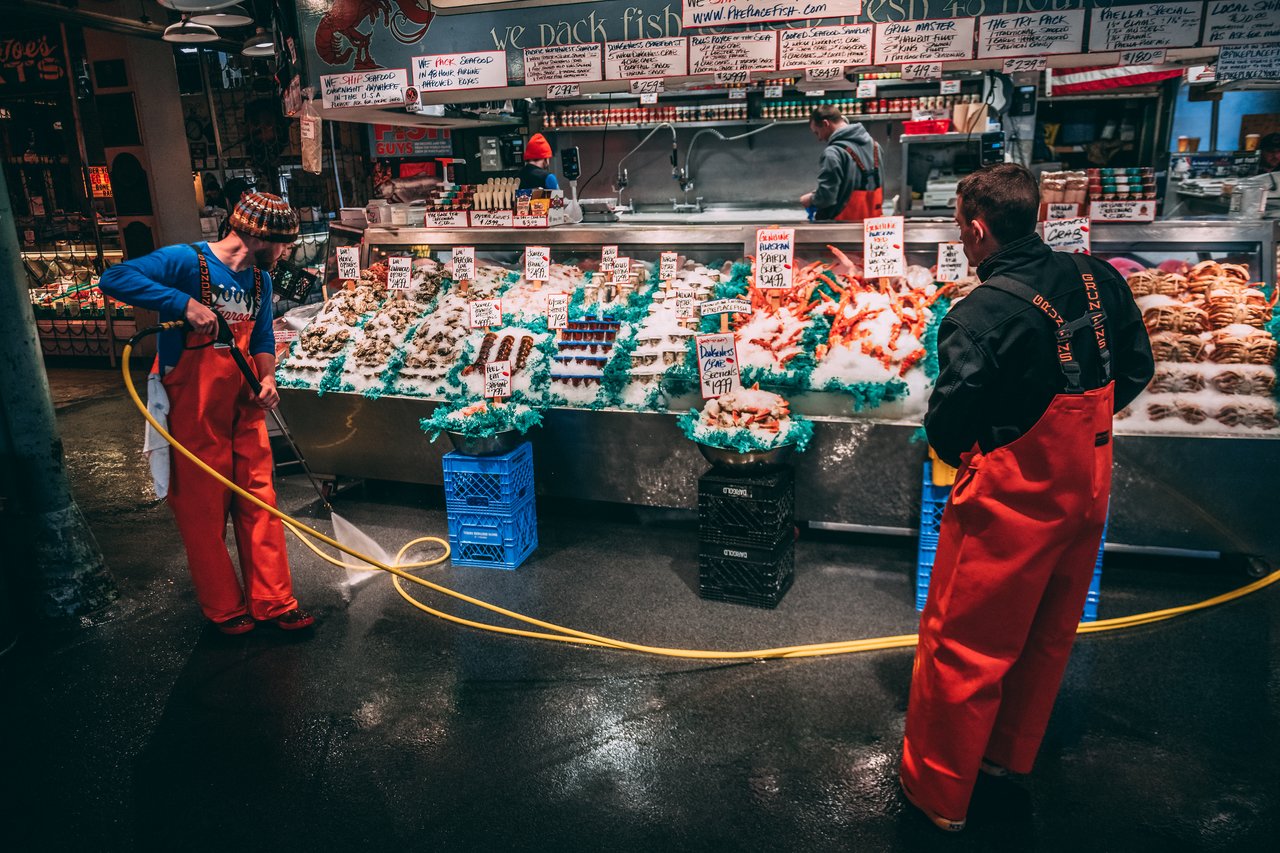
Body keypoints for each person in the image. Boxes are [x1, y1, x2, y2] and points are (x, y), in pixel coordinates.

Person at [899, 164, 1154, 832]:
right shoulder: (1102, 279)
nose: (961, 239)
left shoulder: (978, 313)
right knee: (1046, 635)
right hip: (1089, 487)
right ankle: (1006, 758)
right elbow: (1136, 369)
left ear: (978, 228)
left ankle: (938, 794)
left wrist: (993, 450)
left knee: (964, 646)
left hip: (1012, 504)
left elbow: (948, 426)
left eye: (960, 228)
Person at [99, 192, 314, 636]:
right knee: (203, 509)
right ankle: (224, 607)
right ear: (257, 235)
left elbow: (262, 338)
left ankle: (274, 601)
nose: (286, 253)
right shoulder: (184, 261)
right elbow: (114, 277)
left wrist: (268, 378)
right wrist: (183, 304)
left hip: (245, 406)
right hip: (193, 408)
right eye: (283, 244)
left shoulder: (261, 280)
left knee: (261, 502)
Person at [799, 105, 883, 221]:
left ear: (825, 123)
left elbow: (827, 197)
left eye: (817, 133)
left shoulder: (833, 152)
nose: (819, 139)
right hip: (873, 225)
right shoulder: (875, 146)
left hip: (843, 227)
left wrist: (811, 199)